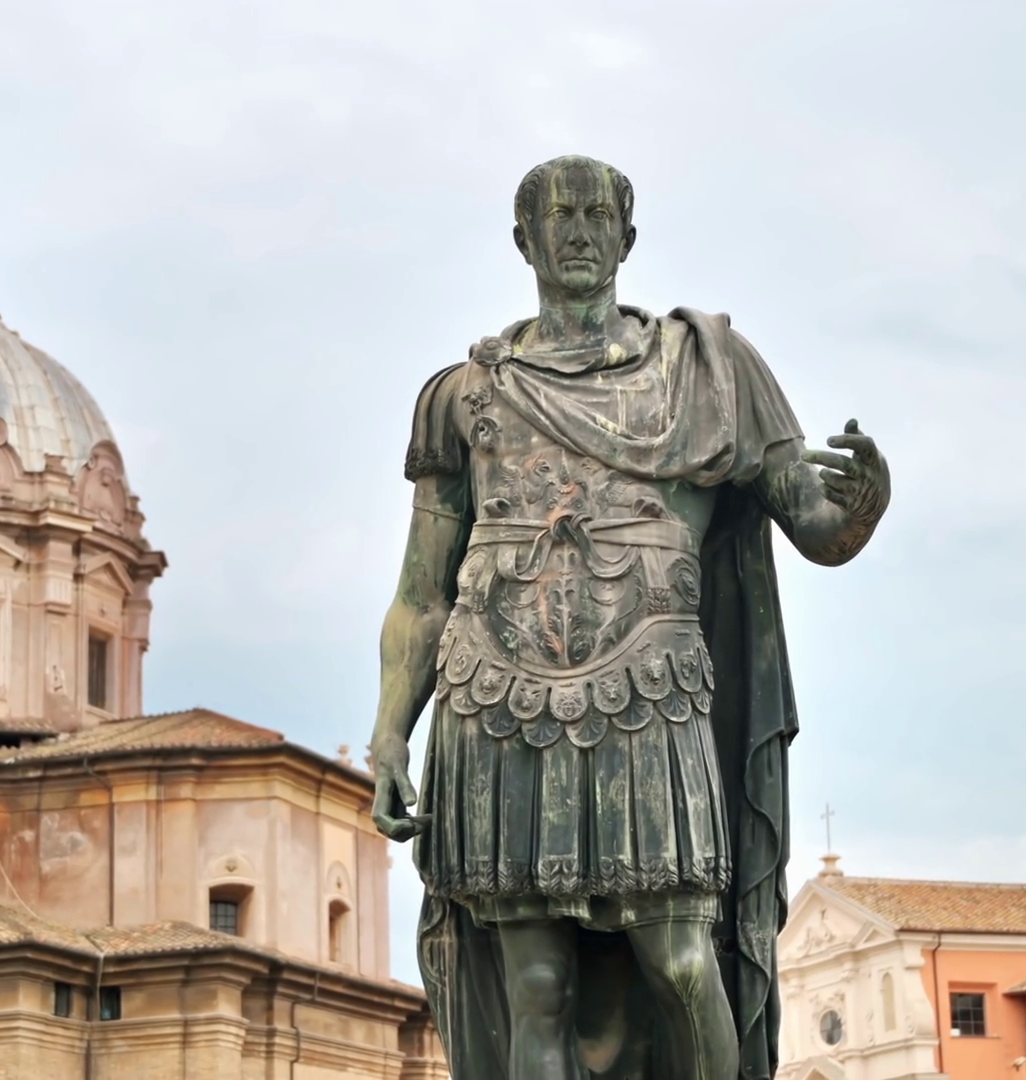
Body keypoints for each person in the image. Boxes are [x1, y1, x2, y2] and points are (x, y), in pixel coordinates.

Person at [368, 155, 891, 1080]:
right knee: (536, 987)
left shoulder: (709, 373)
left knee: (683, 962)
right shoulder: (463, 394)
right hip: (495, 700)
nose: (579, 231)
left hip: (651, 693)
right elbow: (421, 592)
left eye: (597, 214)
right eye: (559, 215)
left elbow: (815, 525)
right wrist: (388, 736)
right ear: (524, 240)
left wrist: (860, 508)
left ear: (627, 237)